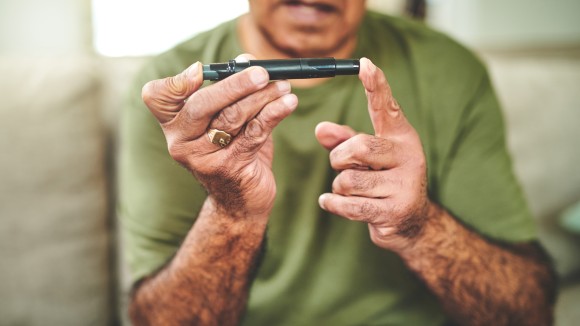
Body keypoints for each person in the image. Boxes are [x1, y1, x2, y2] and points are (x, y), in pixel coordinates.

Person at [119, 1, 556, 325]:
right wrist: (232, 212)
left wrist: (419, 227)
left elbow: (529, 310)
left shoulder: (450, 70)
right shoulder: (174, 96)